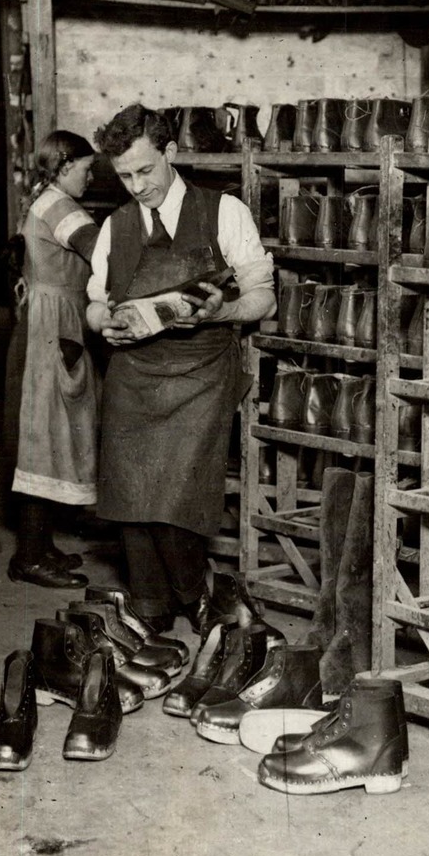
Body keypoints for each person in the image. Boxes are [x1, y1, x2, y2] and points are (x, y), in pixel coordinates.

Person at [85, 103, 275, 635]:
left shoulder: (224, 211)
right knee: (128, 499)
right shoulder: (115, 225)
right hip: (134, 372)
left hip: (201, 371)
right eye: (124, 175)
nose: (136, 185)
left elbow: (263, 296)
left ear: (170, 153)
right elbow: (94, 303)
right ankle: (150, 605)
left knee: (176, 501)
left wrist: (227, 310)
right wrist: (107, 323)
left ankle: (196, 593)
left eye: (145, 170)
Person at [7, 130, 101, 588]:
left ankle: (40, 546)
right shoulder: (61, 206)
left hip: (52, 320)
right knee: (42, 438)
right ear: (64, 167)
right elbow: (100, 250)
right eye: (85, 169)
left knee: (48, 435)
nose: (90, 177)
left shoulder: (46, 198)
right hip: (52, 324)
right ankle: (29, 556)